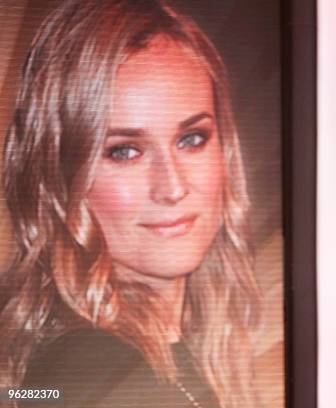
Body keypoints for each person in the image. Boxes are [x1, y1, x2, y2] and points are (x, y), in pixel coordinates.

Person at [0, 0, 261, 407]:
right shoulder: (97, 370)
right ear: (58, 176)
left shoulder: (164, 352)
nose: (172, 187)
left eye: (191, 139)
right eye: (124, 152)